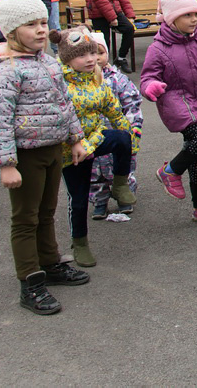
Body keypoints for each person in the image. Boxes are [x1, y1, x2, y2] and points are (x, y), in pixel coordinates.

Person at [0, 0, 90, 315]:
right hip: (25, 156)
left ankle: (50, 263)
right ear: (11, 31)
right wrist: (6, 164)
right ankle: (30, 281)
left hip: (53, 149)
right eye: (31, 25)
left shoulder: (49, 62)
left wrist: (76, 138)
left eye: (43, 22)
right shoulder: (4, 73)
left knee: (47, 210)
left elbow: (64, 103)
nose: (41, 30)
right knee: (25, 219)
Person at [142, 0, 197, 227]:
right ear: (171, 19)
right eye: (187, 15)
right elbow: (147, 77)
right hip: (176, 102)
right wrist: (151, 87)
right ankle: (170, 170)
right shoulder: (158, 48)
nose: (193, 20)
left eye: (195, 14)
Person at [51, 27, 136, 267]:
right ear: (67, 58)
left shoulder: (96, 79)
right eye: (82, 55)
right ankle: (80, 244)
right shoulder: (59, 84)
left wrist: (129, 134)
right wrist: (81, 144)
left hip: (93, 140)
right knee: (77, 200)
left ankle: (119, 185)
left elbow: (112, 108)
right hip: (72, 153)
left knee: (122, 137)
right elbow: (61, 121)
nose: (90, 59)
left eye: (93, 53)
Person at [84, 31, 143, 219]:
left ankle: (124, 197)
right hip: (92, 136)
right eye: (88, 54)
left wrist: (133, 127)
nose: (94, 59)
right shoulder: (80, 82)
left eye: (99, 53)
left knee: (124, 166)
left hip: (118, 134)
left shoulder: (117, 79)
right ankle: (99, 201)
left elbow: (132, 103)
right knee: (93, 172)